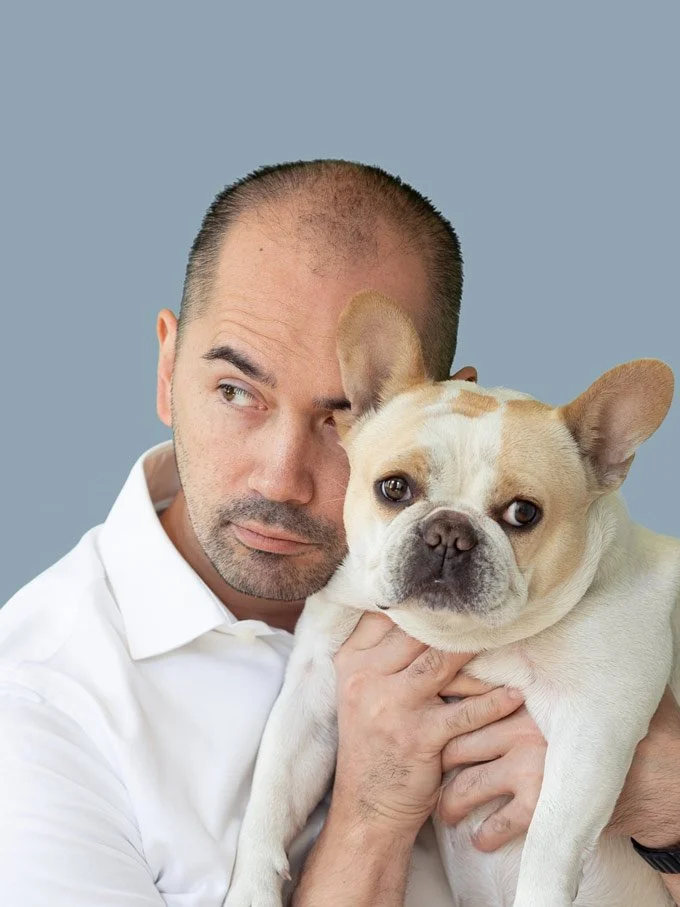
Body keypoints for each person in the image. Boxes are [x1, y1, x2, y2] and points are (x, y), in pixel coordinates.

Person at [0, 159, 678, 907]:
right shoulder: (39, 707)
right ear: (166, 368)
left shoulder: (586, 588)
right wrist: (370, 809)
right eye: (237, 392)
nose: (281, 476)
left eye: (339, 415)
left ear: (436, 397)